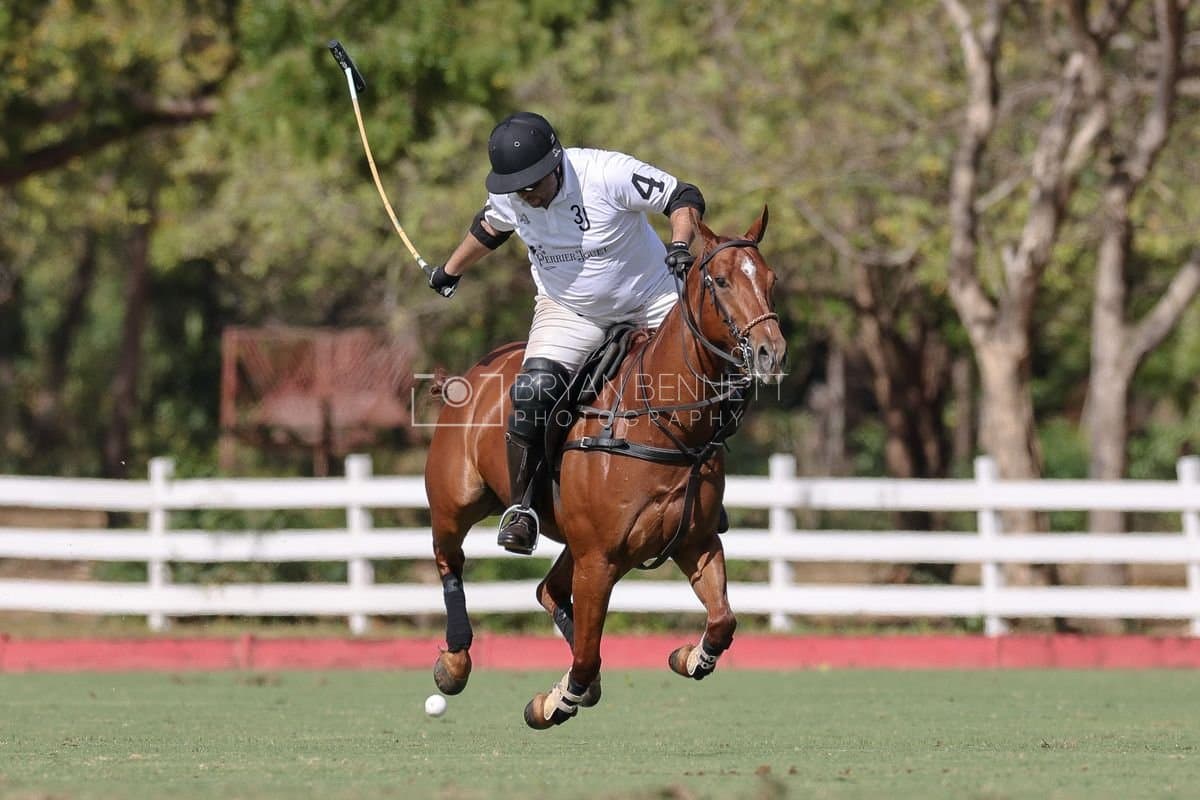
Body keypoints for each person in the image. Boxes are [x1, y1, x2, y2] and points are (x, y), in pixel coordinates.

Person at [428, 111, 705, 555]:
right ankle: (522, 509)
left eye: (534, 185)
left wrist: (678, 245)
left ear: (557, 163)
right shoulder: (513, 196)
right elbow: (489, 228)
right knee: (533, 392)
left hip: (651, 297)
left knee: (703, 379)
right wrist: (449, 270)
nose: (528, 196)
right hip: (570, 309)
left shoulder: (605, 173)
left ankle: (705, 493)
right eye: (519, 189)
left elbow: (682, 196)